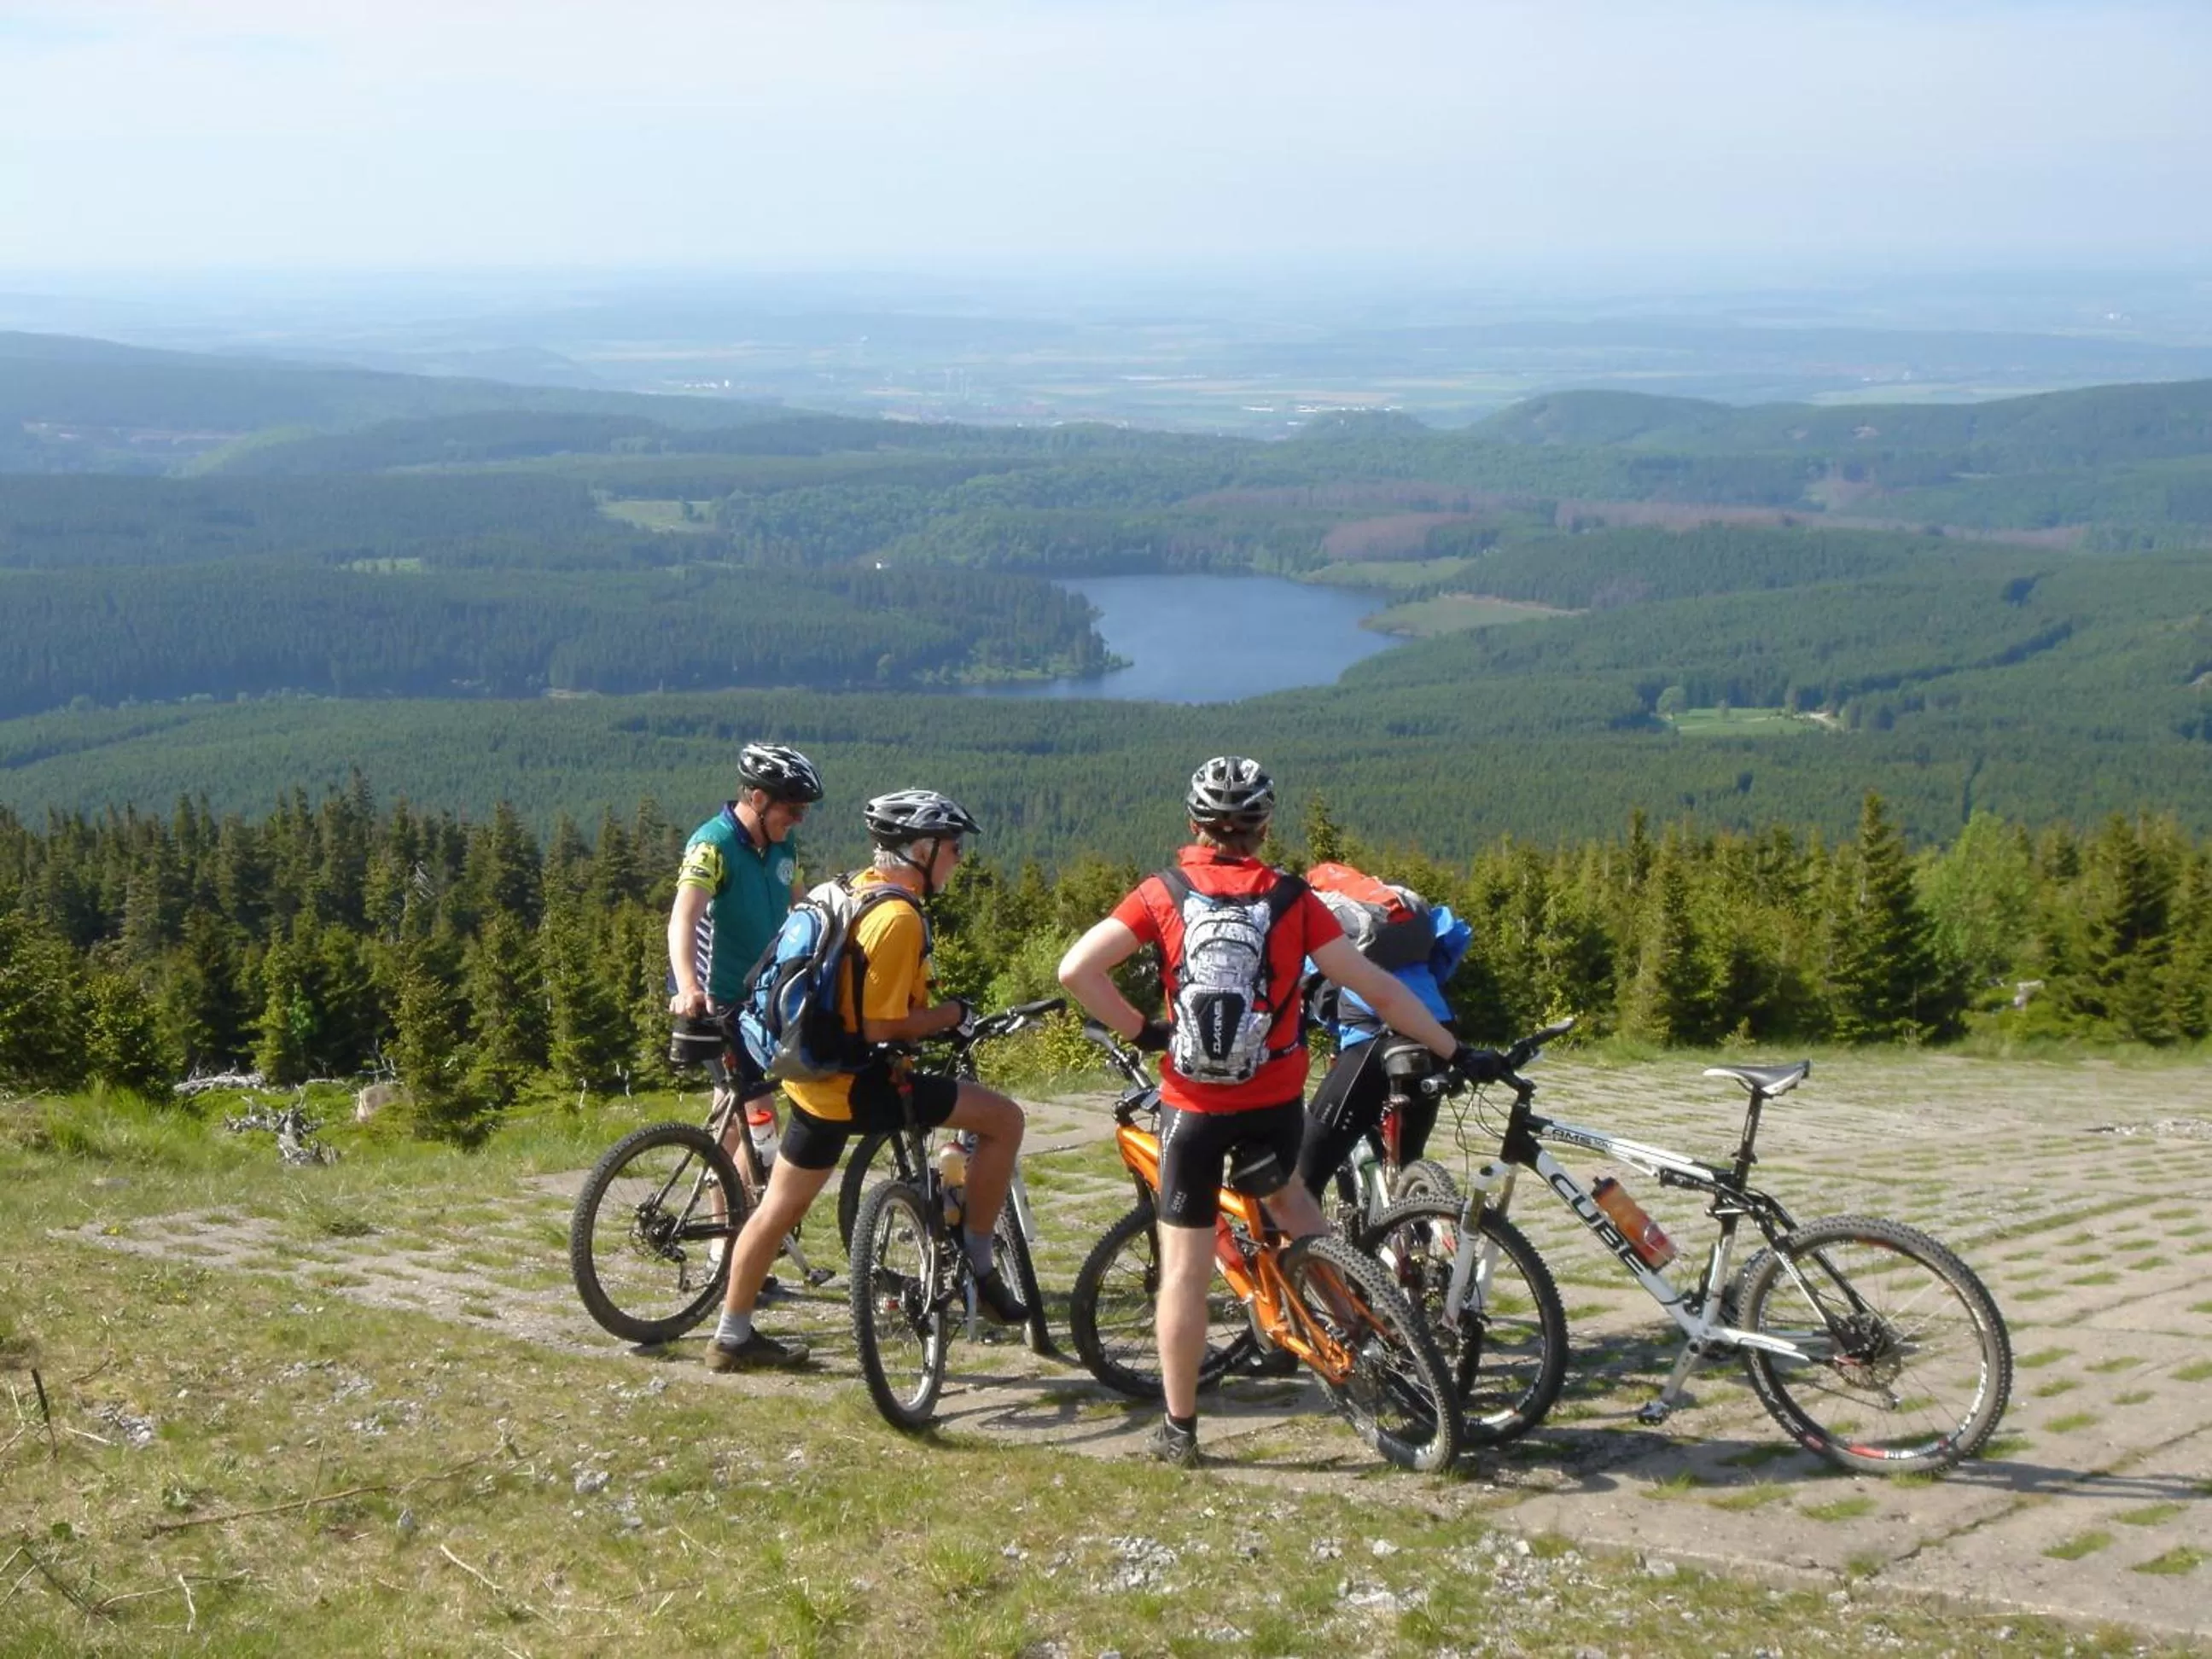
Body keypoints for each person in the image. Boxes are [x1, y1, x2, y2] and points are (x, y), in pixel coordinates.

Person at [1057, 755, 1503, 1467]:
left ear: (1194, 825)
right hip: (1273, 1102)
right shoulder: (1295, 900)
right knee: (1299, 1210)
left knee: (1184, 1274)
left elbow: (1075, 969)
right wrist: (1454, 1050)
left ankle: (1180, 1430)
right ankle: (1363, 1332)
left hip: (1193, 1107)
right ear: (1264, 829)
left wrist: (1145, 1031)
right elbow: (1379, 990)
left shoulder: (1161, 893)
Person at [702, 788, 1031, 1371]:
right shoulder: (899, 918)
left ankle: (731, 1335)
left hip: (810, 1082)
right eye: (954, 847)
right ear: (922, 849)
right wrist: (952, 1014)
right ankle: (980, 1261)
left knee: (775, 1209)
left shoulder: (846, 889)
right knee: (1005, 1119)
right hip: (861, 1085)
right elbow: (883, 1025)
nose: (959, 858)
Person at [667, 742, 824, 1238]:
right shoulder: (713, 845)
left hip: (764, 1000)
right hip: (718, 999)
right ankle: (728, 1251)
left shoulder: (783, 847)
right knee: (743, 1119)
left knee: (747, 1121)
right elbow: (683, 918)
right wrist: (689, 986)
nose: (798, 820)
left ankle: (742, 1239)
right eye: (791, 809)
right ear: (758, 798)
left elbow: (803, 913)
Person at [1295, 865, 1474, 1202]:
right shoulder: (1395, 909)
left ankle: (1308, 1253)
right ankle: (1419, 1235)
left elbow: (1294, 986)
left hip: (1375, 1039)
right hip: (1437, 1029)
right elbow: (1453, 937)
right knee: (1408, 1159)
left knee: (1302, 1178)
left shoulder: (1319, 921)